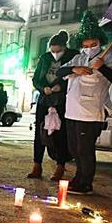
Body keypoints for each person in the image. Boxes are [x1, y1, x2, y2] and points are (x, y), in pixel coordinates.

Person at [57, 10, 112, 195]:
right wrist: (74, 68)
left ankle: (86, 182)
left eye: (93, 44)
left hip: (91, 112)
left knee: (85, 149)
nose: (89, 48)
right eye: (85, 45)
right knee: (73, 148)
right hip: (71, 111)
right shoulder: (78, 58)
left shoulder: (110, 59)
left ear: (99, 42)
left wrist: (102, 68)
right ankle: (78, 177)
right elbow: (59, 73)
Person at [28, 30, 78, 180]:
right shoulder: (44, 58)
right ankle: (37, 165)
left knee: (61, 134)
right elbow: (36, 79)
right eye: (53, 51)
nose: (55, 54)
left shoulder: (73, 56)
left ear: (64, 48)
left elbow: (74, 77)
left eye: (59, 51)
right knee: (40, 132)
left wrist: (60, 87)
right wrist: (43, 88)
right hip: (45, 99)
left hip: (62, 101)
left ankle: (60, 166)